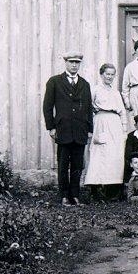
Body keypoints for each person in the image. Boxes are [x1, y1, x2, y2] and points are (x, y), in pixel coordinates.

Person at [43, 50, 93, 207]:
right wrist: (51, 127)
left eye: (77, 62)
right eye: (71, 62)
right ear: (66, 63)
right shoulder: (55, 81)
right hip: (63, 129)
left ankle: (75, 195)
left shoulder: (84, 84)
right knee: (63, 164)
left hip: (80, 130)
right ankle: (64, 196)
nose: (74, 65)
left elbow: (88, 108)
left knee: (78, 165)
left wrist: (89, 129)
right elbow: (47, 106)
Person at [83, 63, 129, 201]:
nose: (109, 77)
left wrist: (124, 128)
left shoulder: (116, 92)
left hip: (115, 124)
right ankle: (96, 189)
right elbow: (87, 108)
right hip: (101, 122)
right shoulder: (95, 90)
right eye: (107, 74)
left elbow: (122, 111)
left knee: (115, 155)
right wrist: (91, 128)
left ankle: (112, 190)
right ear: (102, 74)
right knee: (99, 155)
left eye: (112, 74)